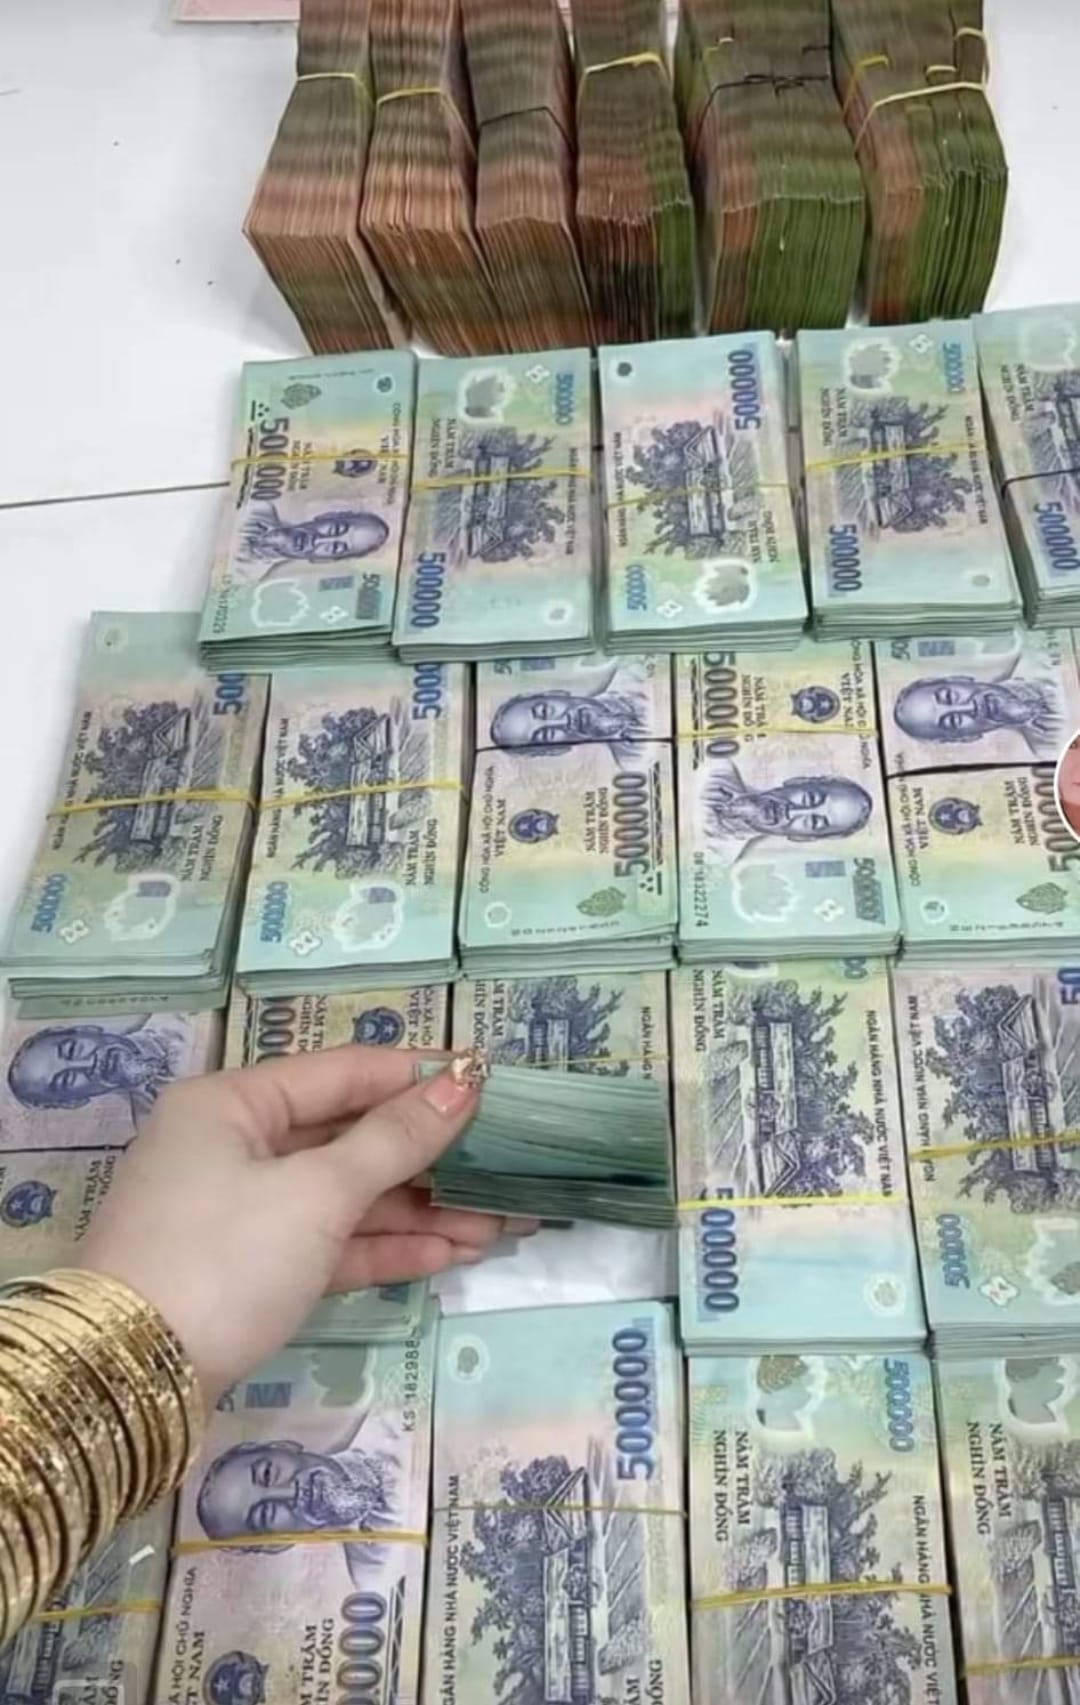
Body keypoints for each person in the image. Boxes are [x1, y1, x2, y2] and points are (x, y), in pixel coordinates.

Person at [0, 1045, 534, 1646]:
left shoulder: (387, 1421)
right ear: (279, 1542)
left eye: (268, 1472)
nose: (290, 1491)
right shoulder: (383, 1573)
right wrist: (140, 1342)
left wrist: (131, 1341)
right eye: (265, 1512)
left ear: (286, 1445)